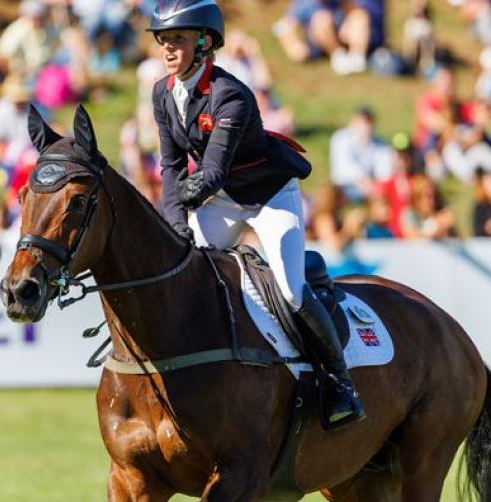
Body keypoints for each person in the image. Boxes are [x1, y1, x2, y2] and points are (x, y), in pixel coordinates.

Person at [148, 0, 364, 427]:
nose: (167, 48)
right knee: (188, 274)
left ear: (204, 43)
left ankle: (339, 383)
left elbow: (210, 170)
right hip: (225, 199)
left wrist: (192, 196)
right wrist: (175, 226)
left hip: (270, 196)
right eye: (163, 40)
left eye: (177, 39)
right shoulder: (162, 93)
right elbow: (172, 168)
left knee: (290, 291)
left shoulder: (231, 95)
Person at [274, 0, 382, 75]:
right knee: (321, 19)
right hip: (318, 41)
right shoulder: (303, 4)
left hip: (340, 35)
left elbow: (355, 11)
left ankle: (357, 57)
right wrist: (292, 45)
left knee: (360, 15)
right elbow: (283, 26)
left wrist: (349, 24)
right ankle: (338, 57)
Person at [329, 106, 394, 201]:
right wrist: (363, 180)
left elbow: (385, 171)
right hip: (345, 187)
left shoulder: (382, 144)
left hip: (373, 189)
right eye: (362, 122)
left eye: (368, 122)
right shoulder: (340, 138)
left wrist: (373, 186)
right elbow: (343, 168)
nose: (365, 126)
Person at [399, 174, 455, 239]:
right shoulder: (409, 214)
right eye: (425, 196)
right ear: (415, 198)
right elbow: (411, 236)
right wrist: (435, 226)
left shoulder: (441, 212)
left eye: (432, 195)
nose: (429, 201)